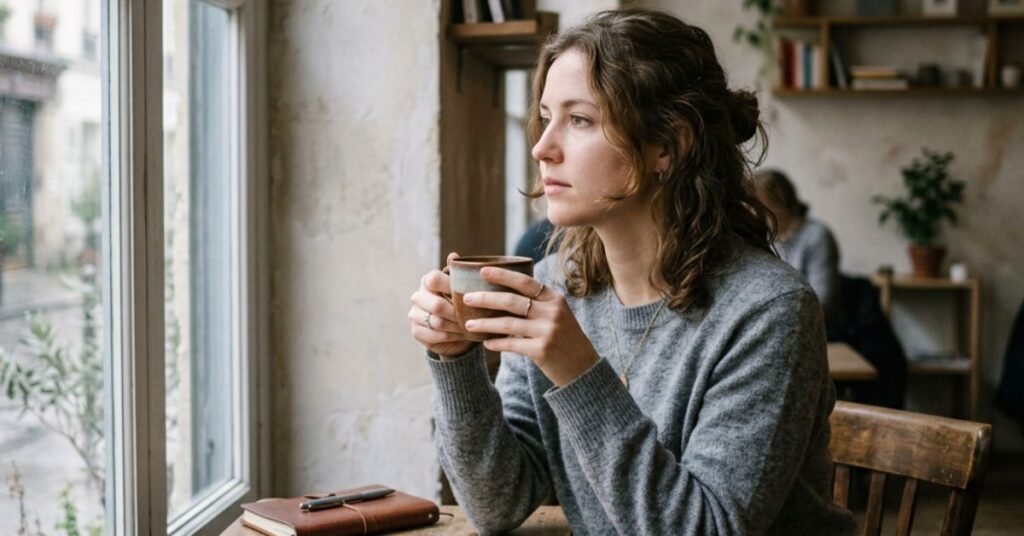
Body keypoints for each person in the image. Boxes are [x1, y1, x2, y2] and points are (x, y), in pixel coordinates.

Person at [408, 8, 855, 535]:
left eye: (579, 120)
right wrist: (456, 359)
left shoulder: (768, 311)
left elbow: (706, 529)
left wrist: (576, 369)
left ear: (667, 145)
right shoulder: (556, 286)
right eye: (546, 116)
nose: (541, 147)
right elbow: (497, 503)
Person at [753, 169, 843, 325]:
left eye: (760, 206)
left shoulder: (817, 236)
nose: (754, 213)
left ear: (779, 203)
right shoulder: (765, 237)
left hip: (811, 327)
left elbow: (822, 301)